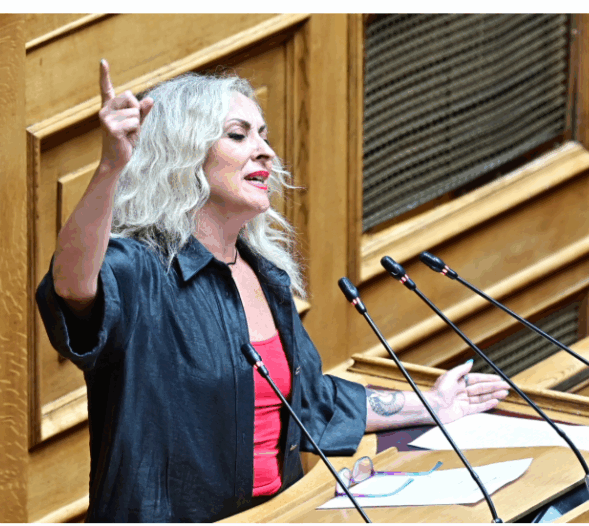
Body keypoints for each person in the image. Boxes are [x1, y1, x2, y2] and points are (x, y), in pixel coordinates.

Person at [35, 60, 510, 522]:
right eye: (238, 135)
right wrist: (110, 167)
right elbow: (72, 283)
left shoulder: (263, 273)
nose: (265, 151)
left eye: (263, 135)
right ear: (184, 153)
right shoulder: (142, 269)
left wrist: (433, 404)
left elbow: (309, 400)